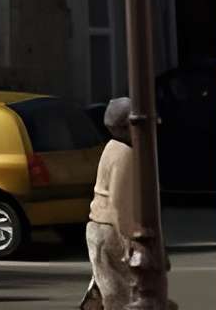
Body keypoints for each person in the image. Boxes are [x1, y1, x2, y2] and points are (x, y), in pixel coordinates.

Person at [85, 97, 142, 310]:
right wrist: (128, 240)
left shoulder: (111, 147)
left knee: (110, 287)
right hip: (110, 229)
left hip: (99, 226)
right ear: (127, 126)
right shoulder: (125, 154)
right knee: (123, 294)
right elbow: (119, 203)